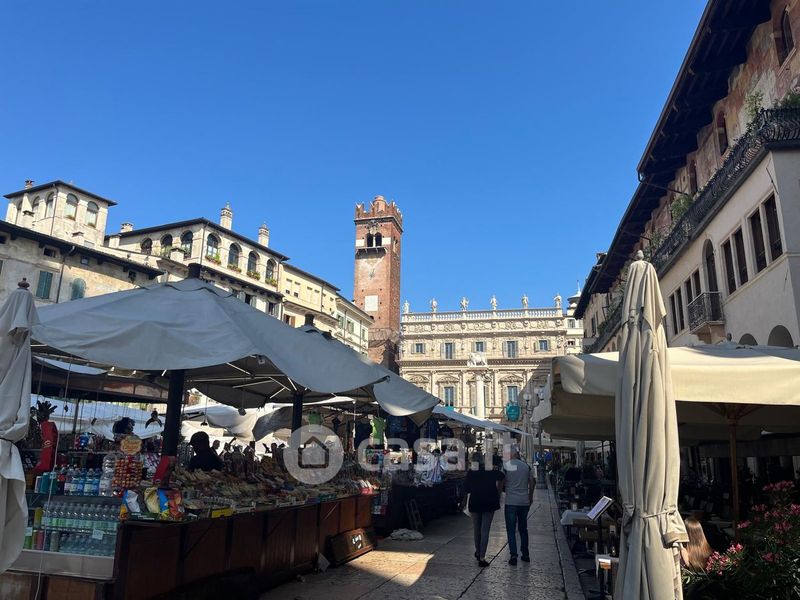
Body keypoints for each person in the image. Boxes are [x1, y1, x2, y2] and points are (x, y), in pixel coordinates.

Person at [465, 453, 504, 567]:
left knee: (476, 529)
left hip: (475, 501)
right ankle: (482, 557)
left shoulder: (471, 472)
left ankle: (478, 552)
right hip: (489, 502)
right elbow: (502, 476)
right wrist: (498, 492)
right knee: (485, 529)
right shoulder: (489, 469)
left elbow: (466, 488)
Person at [502, 446, 534, 565]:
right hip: (523, 501)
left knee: (511, 529)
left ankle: (513, 555)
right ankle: (525, 554)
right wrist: (530, 496)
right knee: (523, 529)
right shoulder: (526, 466)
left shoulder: (506, 466)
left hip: (511, 501)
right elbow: (532, 482)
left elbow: (501, 482)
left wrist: (499, 493)